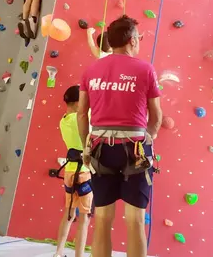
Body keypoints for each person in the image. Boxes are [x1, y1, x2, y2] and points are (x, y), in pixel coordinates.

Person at [78, 15, 163, 257]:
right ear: (132, 41)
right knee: (135, 220)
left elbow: (82, 114)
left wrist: (87, 148)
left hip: (100, 148)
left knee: (103, 218)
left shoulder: (91, 69)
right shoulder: (145, 69)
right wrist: (150, 138)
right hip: (135, 147)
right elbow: (156, 115)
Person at [54, 85, 92, 257]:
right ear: (78, 102)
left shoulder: (63, 120)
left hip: (69, 172)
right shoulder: (83, 117)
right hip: (84, 171)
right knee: (84, 218)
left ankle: (59, 252)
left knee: (68, 214)